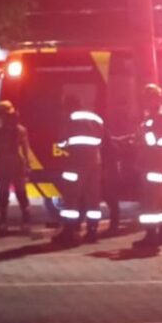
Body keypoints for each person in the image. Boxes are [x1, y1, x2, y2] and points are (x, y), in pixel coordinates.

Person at [54, 95, 104, 245]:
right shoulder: (95, 118)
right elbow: (102, 139)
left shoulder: (70, 120)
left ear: (69, 106)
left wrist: (64, 145)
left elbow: (62, 142)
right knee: (92, 198)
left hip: (75, 163)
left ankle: (69, 232)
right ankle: (92, 231)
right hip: (95, 162)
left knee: (71, 198)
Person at [132, 83, 162, 250]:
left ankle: (151, 236)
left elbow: (154, 141)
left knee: (150, 202)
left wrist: (142, 134)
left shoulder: (160, 117)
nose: (146, 101)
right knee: (160, 201)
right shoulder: (155, 116)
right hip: (158, 164)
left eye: (149, 97)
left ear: (156, 98)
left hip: (154, 164)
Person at [0, 100, 32, 236]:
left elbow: (25, 149)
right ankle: (3, 221)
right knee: (3, 193)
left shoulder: (20, 130)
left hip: (15, 162)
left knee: (20, 192)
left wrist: (27, 165)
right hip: (3, 162)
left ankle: (26, 219)